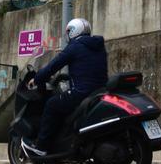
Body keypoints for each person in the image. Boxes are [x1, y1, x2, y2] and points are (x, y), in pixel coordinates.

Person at [21, 18, 107, 156]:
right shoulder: (98, 46)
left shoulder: (74, 47)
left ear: (73, 31)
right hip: (99, 91)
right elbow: (87, 69)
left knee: (52, 104)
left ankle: (41, 147)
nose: (67, 35)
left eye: (68, 31)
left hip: (81, 92)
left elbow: (53, 66)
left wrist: (36, 79)